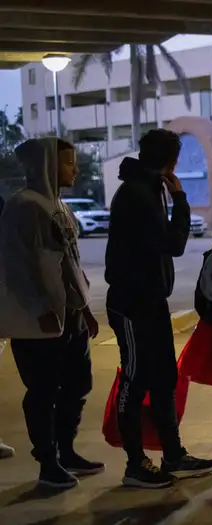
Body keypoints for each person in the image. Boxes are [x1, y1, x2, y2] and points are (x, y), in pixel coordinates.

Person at [106, 129, 212, 489]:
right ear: (173, 160)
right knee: (135, 379)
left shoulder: (146, 187)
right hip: (131, 304)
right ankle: (136, 464)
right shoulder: (139, 194)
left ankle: (173, 455)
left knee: (163, 379)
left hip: (151, 301)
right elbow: (173, 244)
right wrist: (182, 200)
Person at [0, 138, 102, 488]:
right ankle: (48, 463)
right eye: (68, 162)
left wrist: (85, 309)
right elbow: (17, 267)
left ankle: (66, 450)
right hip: (39, 322)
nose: (75, 168)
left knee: (78, 383)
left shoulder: (60, 205)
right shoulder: (23, 207)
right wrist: (39, 308)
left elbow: (70, 265)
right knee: (43, 391)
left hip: (69, 315)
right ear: (45, 165)